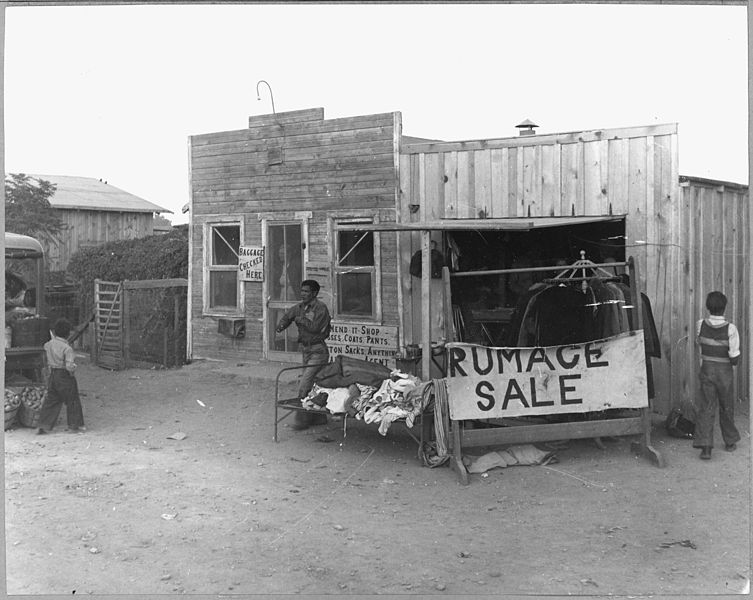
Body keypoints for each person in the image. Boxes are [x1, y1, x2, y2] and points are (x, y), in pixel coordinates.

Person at [275, 279, 332, 430]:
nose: (303, 294)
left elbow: (314, 328)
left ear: (314, 293)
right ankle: (319, 418)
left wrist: (299, 319)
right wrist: (281, 325)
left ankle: (301, 420)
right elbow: (288, 316)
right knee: (315, 384)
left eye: (306, 291)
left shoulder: (321, 308)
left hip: (318, 351)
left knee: (304, 384)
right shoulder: (299, 307)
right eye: (302, 291)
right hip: (306, 351)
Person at [693, 291, 741, 460]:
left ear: (708, 307)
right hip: (724, 373)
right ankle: (730, 441)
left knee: (706, 407)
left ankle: (706, 448)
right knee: (726, 406)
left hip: (707, 370)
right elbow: (734, 358)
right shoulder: (731, 328)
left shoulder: (700, 324)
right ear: (724, 307)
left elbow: (699, 345)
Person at [37, 318, 85, 434]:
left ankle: (43, 425)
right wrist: (74, 367)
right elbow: (69, 366)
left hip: (53, 375)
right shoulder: (67, 348)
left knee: (51, 399)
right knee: (72, 400)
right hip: (64, 376)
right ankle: (74, 426)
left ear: (54, 332)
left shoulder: (48, 345)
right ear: (68, 333)